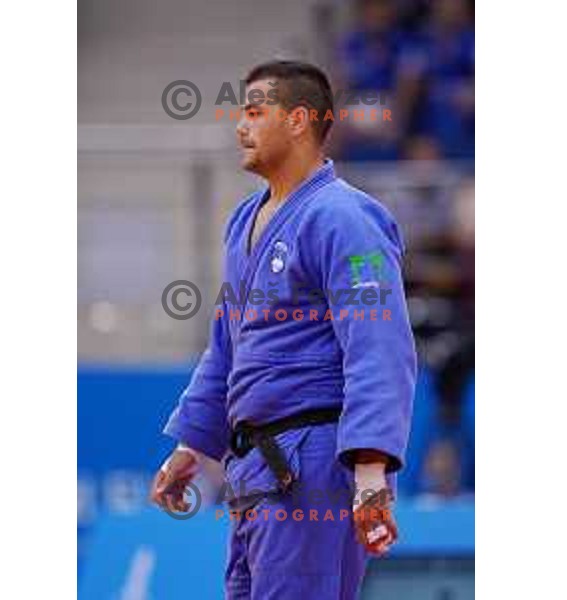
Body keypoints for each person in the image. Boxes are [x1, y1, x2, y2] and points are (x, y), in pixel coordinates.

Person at [150, 60, 416, 599]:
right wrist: (193, 447)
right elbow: (227, 348)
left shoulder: (344, 218)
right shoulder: (243, 222)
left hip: (314, 463)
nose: (239, 126)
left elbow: (378, 346)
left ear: (298, 120)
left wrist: (369, 471)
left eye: (254, 111)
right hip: (254, 469)